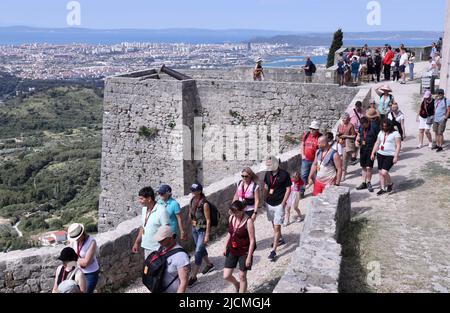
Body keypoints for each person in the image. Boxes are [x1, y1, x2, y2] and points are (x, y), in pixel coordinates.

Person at [223, 201, 256, 293]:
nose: (236, 214)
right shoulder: (231, 218)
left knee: (242, 276)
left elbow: (252, 240)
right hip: (232, 249)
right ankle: (237, 285)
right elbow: (230, 233)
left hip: (244, 251)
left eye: (237, 212)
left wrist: (249, 257)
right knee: (226, 275)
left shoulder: (248, 221)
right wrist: (225, 246)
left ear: (243, 210)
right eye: (234, 212)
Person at [263, 156, 291, 262]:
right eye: (267, 164)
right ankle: (279, 239)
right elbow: (266, 187)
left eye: (269, 164)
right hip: (269, 203)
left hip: (279, 204)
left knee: (277, 227)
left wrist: (284, 202)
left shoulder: (284, 175)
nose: (268, 166)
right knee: (273, 223)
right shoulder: (267, 174)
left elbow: (288, 189)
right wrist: (264, 199)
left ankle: (273, 251)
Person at [132, 186, 170, 259]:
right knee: (149, 269)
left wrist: (163, 249)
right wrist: (137, 242)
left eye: (141, 199)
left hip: (158, 249)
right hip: (147, 247)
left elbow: (167, 230)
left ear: (149, 199)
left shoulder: (161, 211)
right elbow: (143, 227)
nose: (139, 201)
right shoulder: (144, 210)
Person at [188, 183, 214, 286]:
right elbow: (191, 213)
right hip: (195, 228)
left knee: (198, 251)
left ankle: (194, 276)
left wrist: (207, 234)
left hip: (202, 230)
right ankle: (209, 264)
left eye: (194, 190)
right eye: (192, 190)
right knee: (201, 248)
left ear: (199, 191)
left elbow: (208, 220)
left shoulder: (205, 203)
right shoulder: (192, 200)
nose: (192, 192)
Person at [153, 225, 190, 293]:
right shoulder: (161, 249)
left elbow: (184, 282)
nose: (159, 242)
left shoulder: (181, 256)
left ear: (171, 237)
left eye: (162, 240)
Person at [370, 119, 402, 196]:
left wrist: (396, 156)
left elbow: (398, 145)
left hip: (390, 155)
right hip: (380, 153)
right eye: (383, 126)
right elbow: (377, 142)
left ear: (389, 126)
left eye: (386, 126)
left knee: (384, 172)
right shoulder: (381, 132)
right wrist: (373, 152)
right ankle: (383, 188)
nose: (384, 128)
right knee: (380, 172)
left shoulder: (395, 133)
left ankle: (390, 183)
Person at [67, 223, 100, 293]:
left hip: (90, 273)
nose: (76, 240)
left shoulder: (91, 242)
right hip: (78, 272)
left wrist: (75, 259)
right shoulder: (74, 241)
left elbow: (86, 263)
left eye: (77, 238)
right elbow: (68, 255)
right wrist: (81, 260)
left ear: (82, 234)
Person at [356, 113, 380, 193]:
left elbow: (378, 139)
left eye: (364, 125)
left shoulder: (374, 127)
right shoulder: (361, 127)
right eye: (362, 125)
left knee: (369, 167)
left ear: (368, 122)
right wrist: (357, 140)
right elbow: (359, 135)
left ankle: (369, 182)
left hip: (371, 149)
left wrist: (374, 151)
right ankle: (364, 183)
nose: (363, 126)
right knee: (363, 167)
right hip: (363, 149)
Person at [299, 121, 322, 198]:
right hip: (306, 160)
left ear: (317, 130)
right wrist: (302, 154)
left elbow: (322, 149)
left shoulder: (320, 137)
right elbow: (302, 144)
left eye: (313, 129)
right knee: (303, 175)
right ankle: (301, 192)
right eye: (311, 129)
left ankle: (316, 192)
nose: (311, 130)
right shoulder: (307, 134)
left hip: (317, 162)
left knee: (317, 176)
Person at [337, 113, 356, 182]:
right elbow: (337, 133)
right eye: (342, 118)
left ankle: (343, 173)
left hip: (346, 144)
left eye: (345, 118)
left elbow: (354, 136)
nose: (343, 120)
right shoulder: (340, 125)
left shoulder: (351, 126)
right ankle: (343, 170)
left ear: (348, 119)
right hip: (339, 144)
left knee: (344, 159)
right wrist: (338, 134)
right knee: (340, 159)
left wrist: (345, 136)